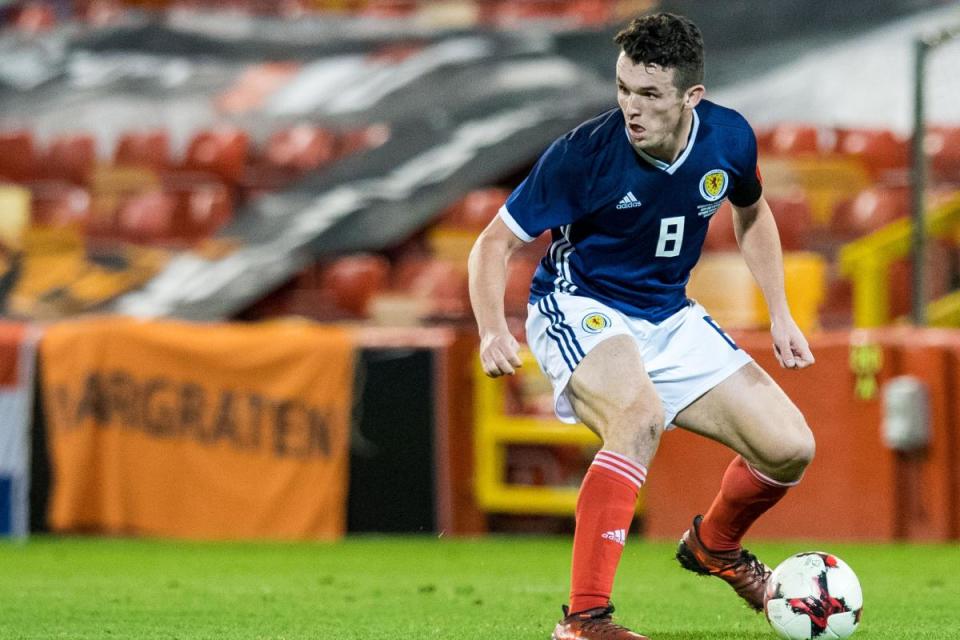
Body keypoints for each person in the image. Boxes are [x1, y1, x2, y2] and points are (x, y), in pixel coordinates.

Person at [467, 12, 816, 640]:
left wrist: (781, 311)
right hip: (578, 303)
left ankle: (715, 546)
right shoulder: (582, 154)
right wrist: (493, 328)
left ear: (691, 98)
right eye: (624, 88)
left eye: (650, 94)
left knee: (791, 448)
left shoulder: (730, 137)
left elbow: (753, 213)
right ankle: (584, 620)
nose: (631, 106)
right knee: (639, 416)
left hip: (668, 313)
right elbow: (493, 243)